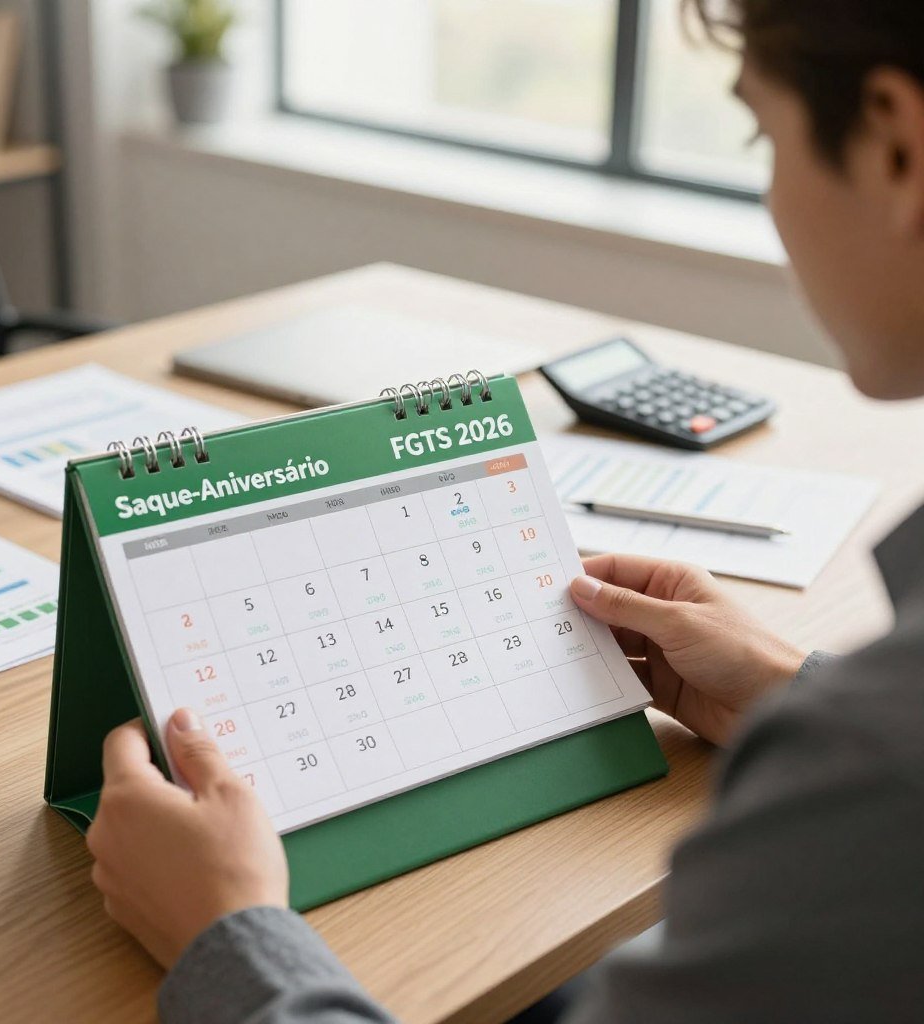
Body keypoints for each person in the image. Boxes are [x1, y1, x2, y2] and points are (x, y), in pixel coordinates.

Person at [85, 0, 924, 1020]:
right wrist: (793, 692)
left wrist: (227, 933)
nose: (770, 196)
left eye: (763, 135)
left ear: (893, 143)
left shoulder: (877, 772)